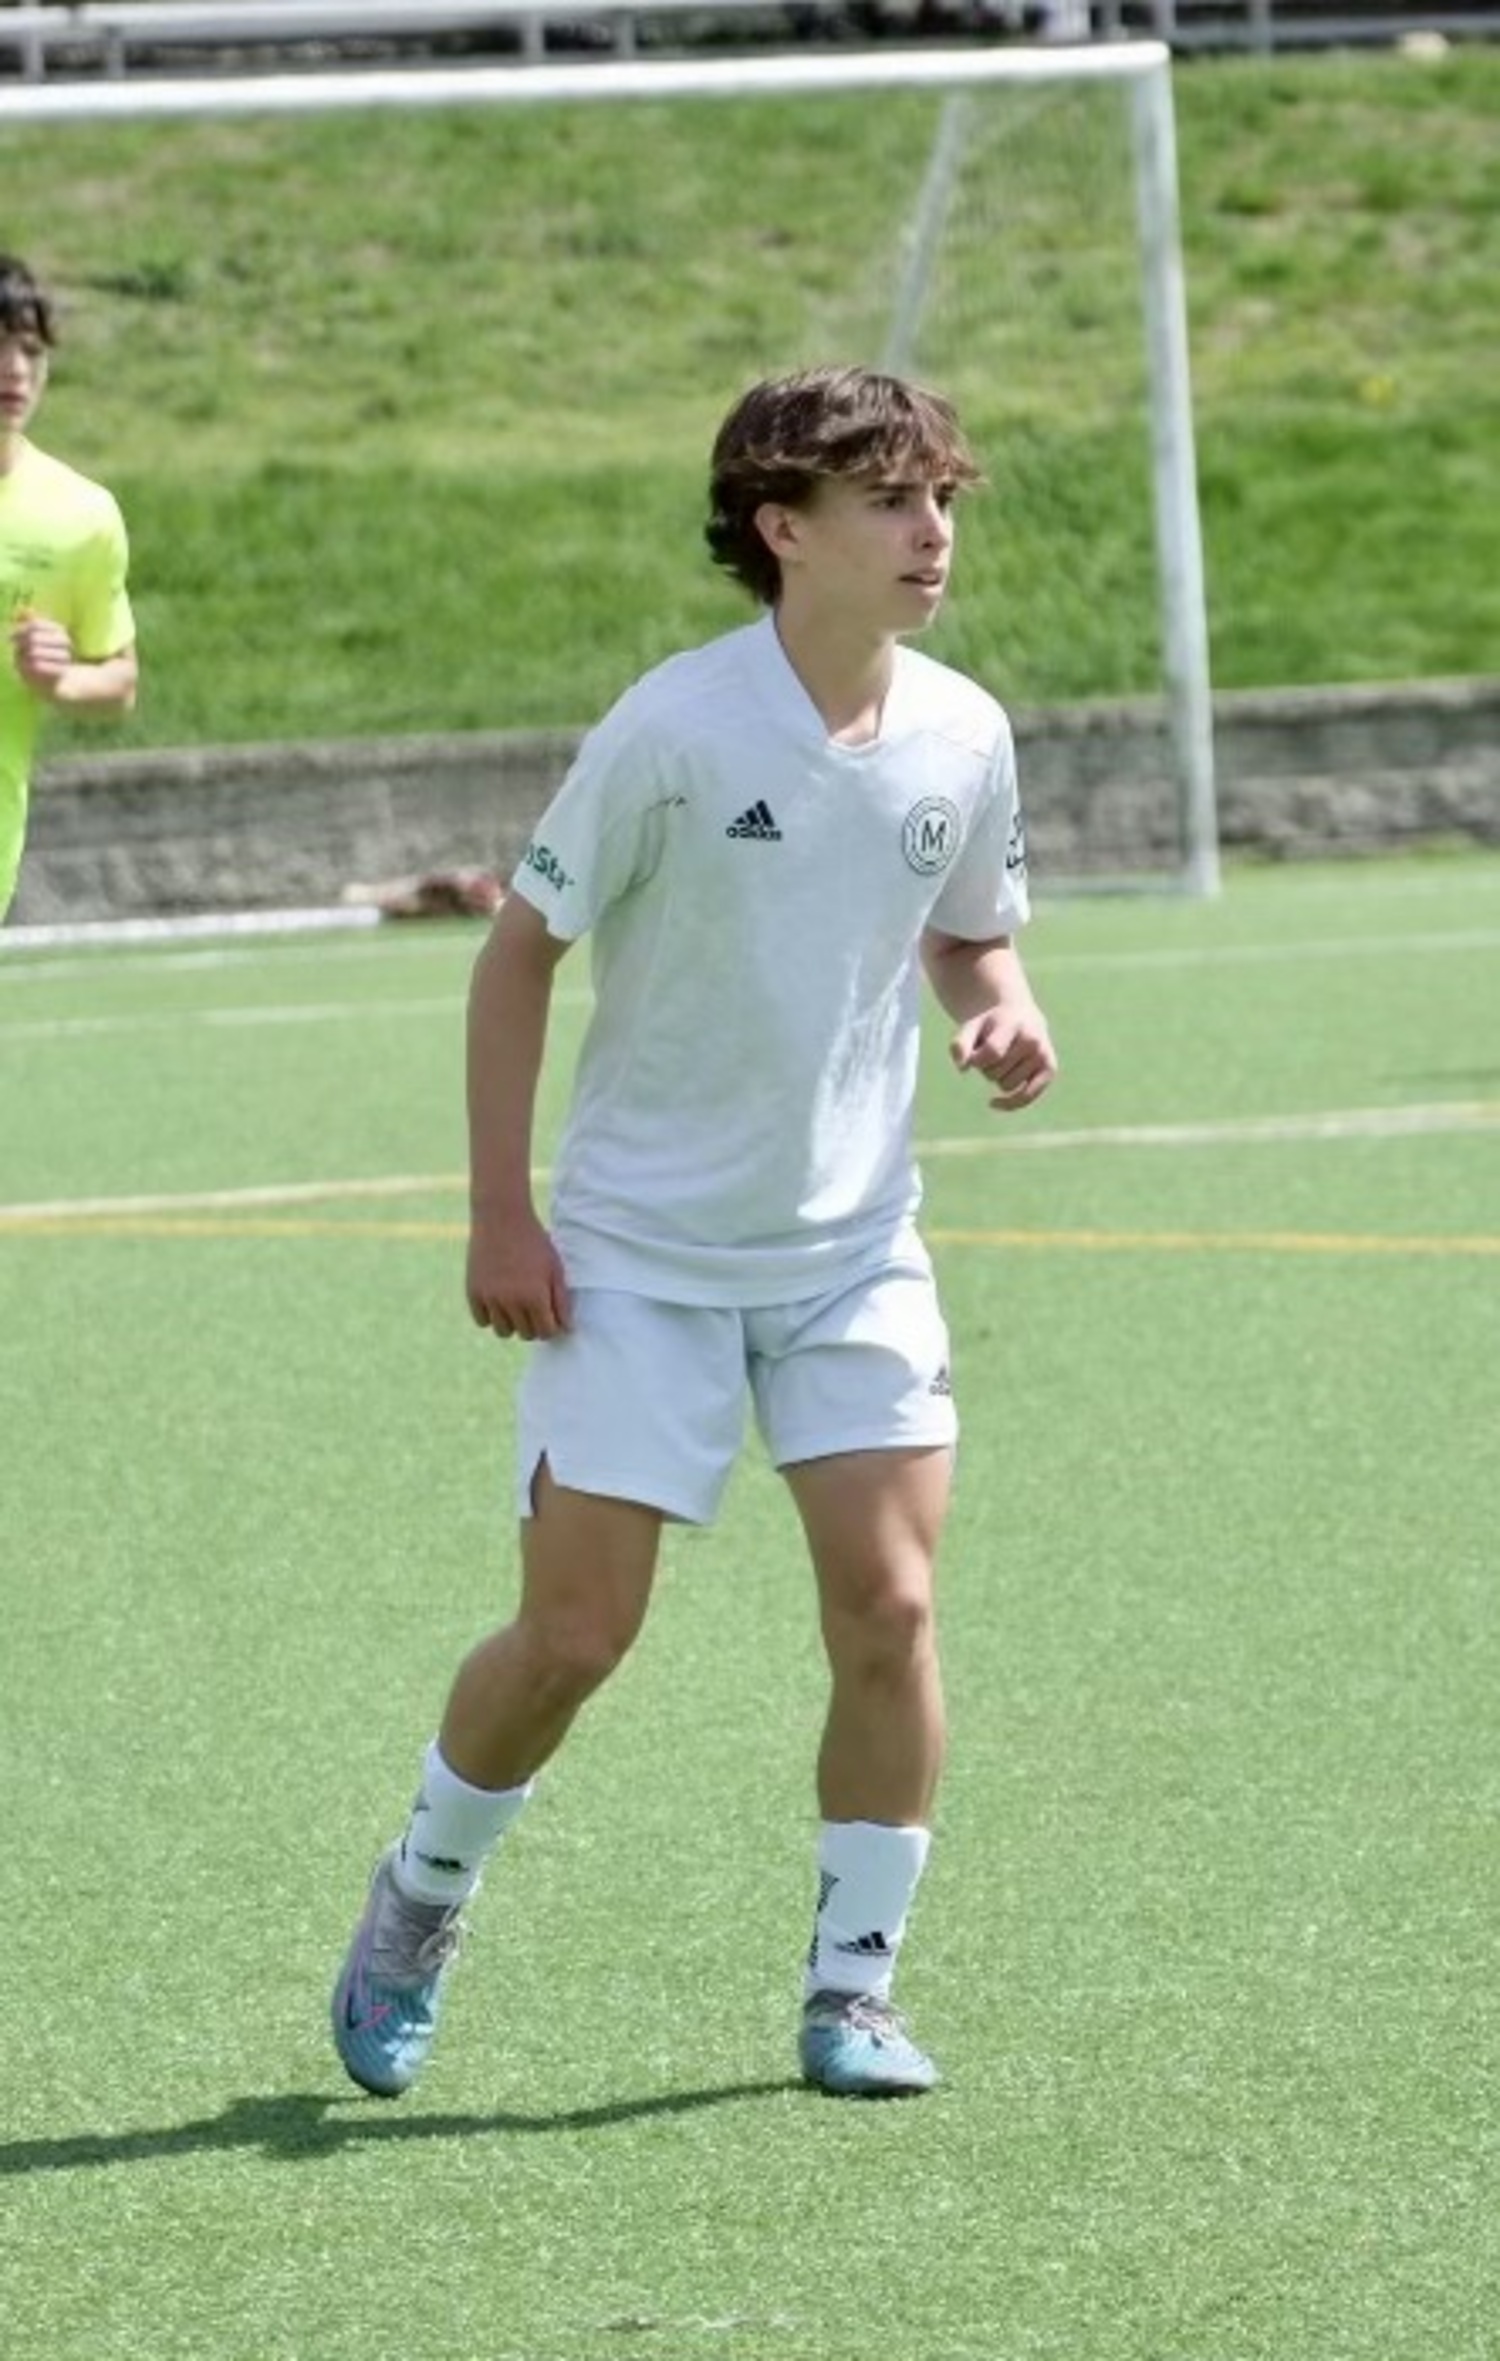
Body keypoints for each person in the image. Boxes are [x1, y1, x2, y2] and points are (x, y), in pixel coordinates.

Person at [331, 364, 1059, 2102]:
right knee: (578, 1635)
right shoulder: (673, 727)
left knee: (890, 1606)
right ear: (779, 529)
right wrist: (504, 1212)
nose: (931, 531)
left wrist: (1003, 1003)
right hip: (638, 1257)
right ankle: (421, 1893)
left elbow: (970, 928)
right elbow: (518, 953)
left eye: (943, 497)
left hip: (852, 1248)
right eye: (890, 501)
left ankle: (852, 1991)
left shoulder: (964, 729)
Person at [0, 253, 138, 924]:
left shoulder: (79, 517)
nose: (15, 371)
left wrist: (59, 682)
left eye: (30, 350)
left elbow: (120, 680)